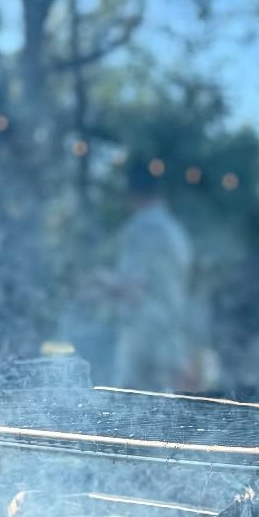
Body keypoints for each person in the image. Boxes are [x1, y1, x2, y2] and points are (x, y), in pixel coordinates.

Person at [108, 157, 197, 392]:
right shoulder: (176, 231)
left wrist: (102, 282)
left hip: (143, 338)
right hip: (172, 334)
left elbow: (134, 288)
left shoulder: (140, 229)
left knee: (132, 413)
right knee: (167, 414)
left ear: (130, 193)